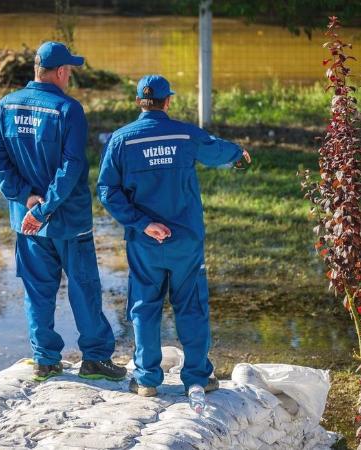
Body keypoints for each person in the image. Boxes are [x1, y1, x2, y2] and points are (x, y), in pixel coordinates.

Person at [97, 74, 251, 397]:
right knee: (191, 306)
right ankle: (196, 378)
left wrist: (142, 223)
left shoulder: (121, 140)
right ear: (168, 102)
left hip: (145, 242)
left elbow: (107, 191)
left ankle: (147, 380)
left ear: (140, 102)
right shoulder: (184, 134)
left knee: (144, 306)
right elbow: (215, 150)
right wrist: (239, 154)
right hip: (185, 242)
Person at [0, 41, 127, 382]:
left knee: (37, 289)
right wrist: (46, 206)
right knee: (84, 288)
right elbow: (72, 166)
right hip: (67, 221)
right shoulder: (68, 109)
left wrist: (26, 198)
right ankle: (94, 358)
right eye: (70, 72)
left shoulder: (7, 105)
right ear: (61, 72)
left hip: (28, 221)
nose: (70, 77)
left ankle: (45, 359)